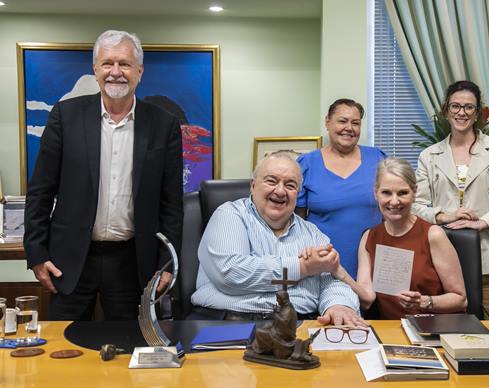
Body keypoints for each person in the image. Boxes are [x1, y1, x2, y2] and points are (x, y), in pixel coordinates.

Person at [23, 30, 183, 320]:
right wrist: (36, 254)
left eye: (124, 64)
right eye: (107, 64)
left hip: (133, 264)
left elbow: (172, 203)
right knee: (64, 352)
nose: (116, 72)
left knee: (125, 353)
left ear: (139, 71)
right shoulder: (65, 115)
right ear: (95, 69)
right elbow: (40, 191)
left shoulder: (164, 124)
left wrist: (168, 264)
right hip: (69, 261)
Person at [190, 151, 365, 327]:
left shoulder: (313, 233)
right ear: (253, 185)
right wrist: (302, 267)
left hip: (300, 323)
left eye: (290, 185)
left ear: (298, 193)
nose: (280, 191)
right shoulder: (230, 215)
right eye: (271, 181)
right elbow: (231, 273)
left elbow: (331, 279)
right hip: (228, 321)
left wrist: (339, 304)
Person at [413, 80, 489, 319]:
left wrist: (483, 222)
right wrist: (443, 216)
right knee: (447, 330)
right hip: (442, 260)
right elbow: (415, 205)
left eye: (468, 107)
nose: (461, 113)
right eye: (455, 106)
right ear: (445, 111)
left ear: (477, 113)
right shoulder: (429, 156)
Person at [330, 157, 467, 319]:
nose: (394, 201)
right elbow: (367, 299)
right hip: (389, 331)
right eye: (386, 193)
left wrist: (424, 302)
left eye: (402, 193)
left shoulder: (433, 235)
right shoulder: (369, 237)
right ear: (376, 193)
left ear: (414, 193)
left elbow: (460, 300)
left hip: (431, 328)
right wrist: (338, 272)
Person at [296, 99, 386, 277]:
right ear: (327, 122)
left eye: (355, 123)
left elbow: (393, 209)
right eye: (342, 121)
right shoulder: (306, 164)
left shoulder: (378, 158)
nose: (349, 128)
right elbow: (296, 221)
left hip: (374, 260)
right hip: (324, 263)